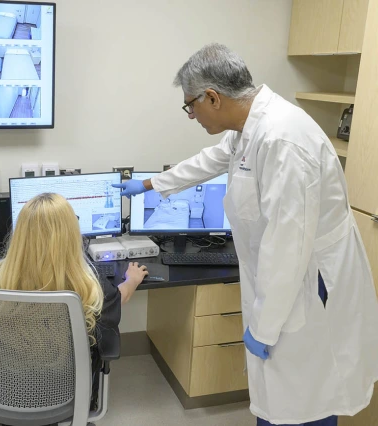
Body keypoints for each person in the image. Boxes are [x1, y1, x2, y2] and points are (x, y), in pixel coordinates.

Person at [113, 43, 378, 426]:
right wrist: (151, 184)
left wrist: (265, 326)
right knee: (281, 395)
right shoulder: (250, 127)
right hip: (284, 279)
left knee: (306, 397)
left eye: (190, 105)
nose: (191, 115)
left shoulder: (283, 140)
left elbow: (287, 246)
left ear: (212, 97)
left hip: (308, 285)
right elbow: (212, 161)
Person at [0, 192, 148, 412]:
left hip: (0, 392)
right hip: (66, 392)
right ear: (71, 234)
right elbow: (115, 299)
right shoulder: (88, 284)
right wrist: (131, 280)